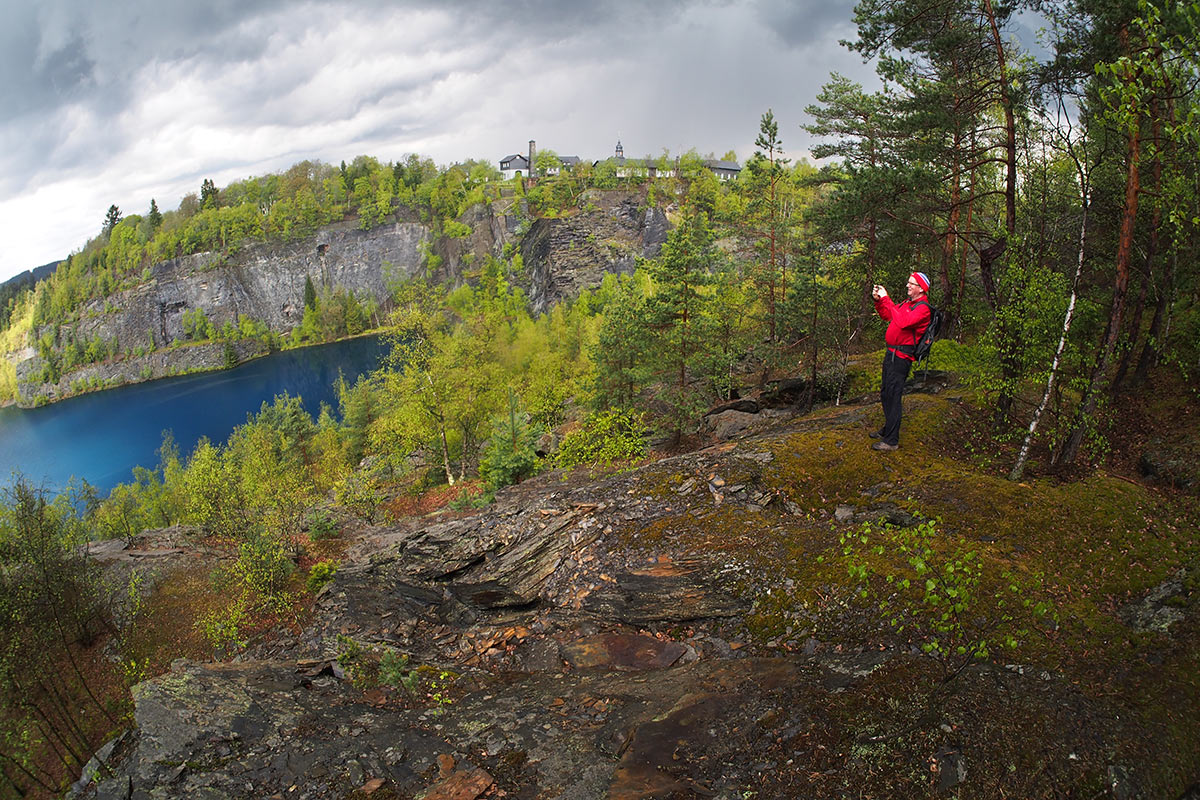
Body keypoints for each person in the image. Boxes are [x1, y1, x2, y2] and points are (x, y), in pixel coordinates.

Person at [869, 272, 932, 451]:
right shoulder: (907, 304)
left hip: (902, 357)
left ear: (921, 288)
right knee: (886, 393)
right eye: (908, 282)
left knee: (894, 395)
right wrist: (879, 301)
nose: (907, 285)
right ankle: (888, 428)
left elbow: (904, 322)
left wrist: (886, 298)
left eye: (911, 283)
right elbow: (888, 316)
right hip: (891, 354)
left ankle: (891, 441)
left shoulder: (923, 308)